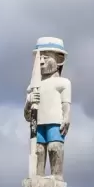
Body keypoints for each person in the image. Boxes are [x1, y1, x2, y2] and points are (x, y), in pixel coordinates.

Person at [24, 39, 71, 179]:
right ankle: (38, 175)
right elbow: (27, 116)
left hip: (55, 121)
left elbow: (66, 104)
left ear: (59, 59)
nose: (41, 61)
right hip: (38, 123)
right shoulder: (33, 86)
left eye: (46, 57)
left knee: (54, 146)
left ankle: (57, 174)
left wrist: (66, 117)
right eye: (39, 58)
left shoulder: (63, 83)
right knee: (38, 149)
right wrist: (29, 102)